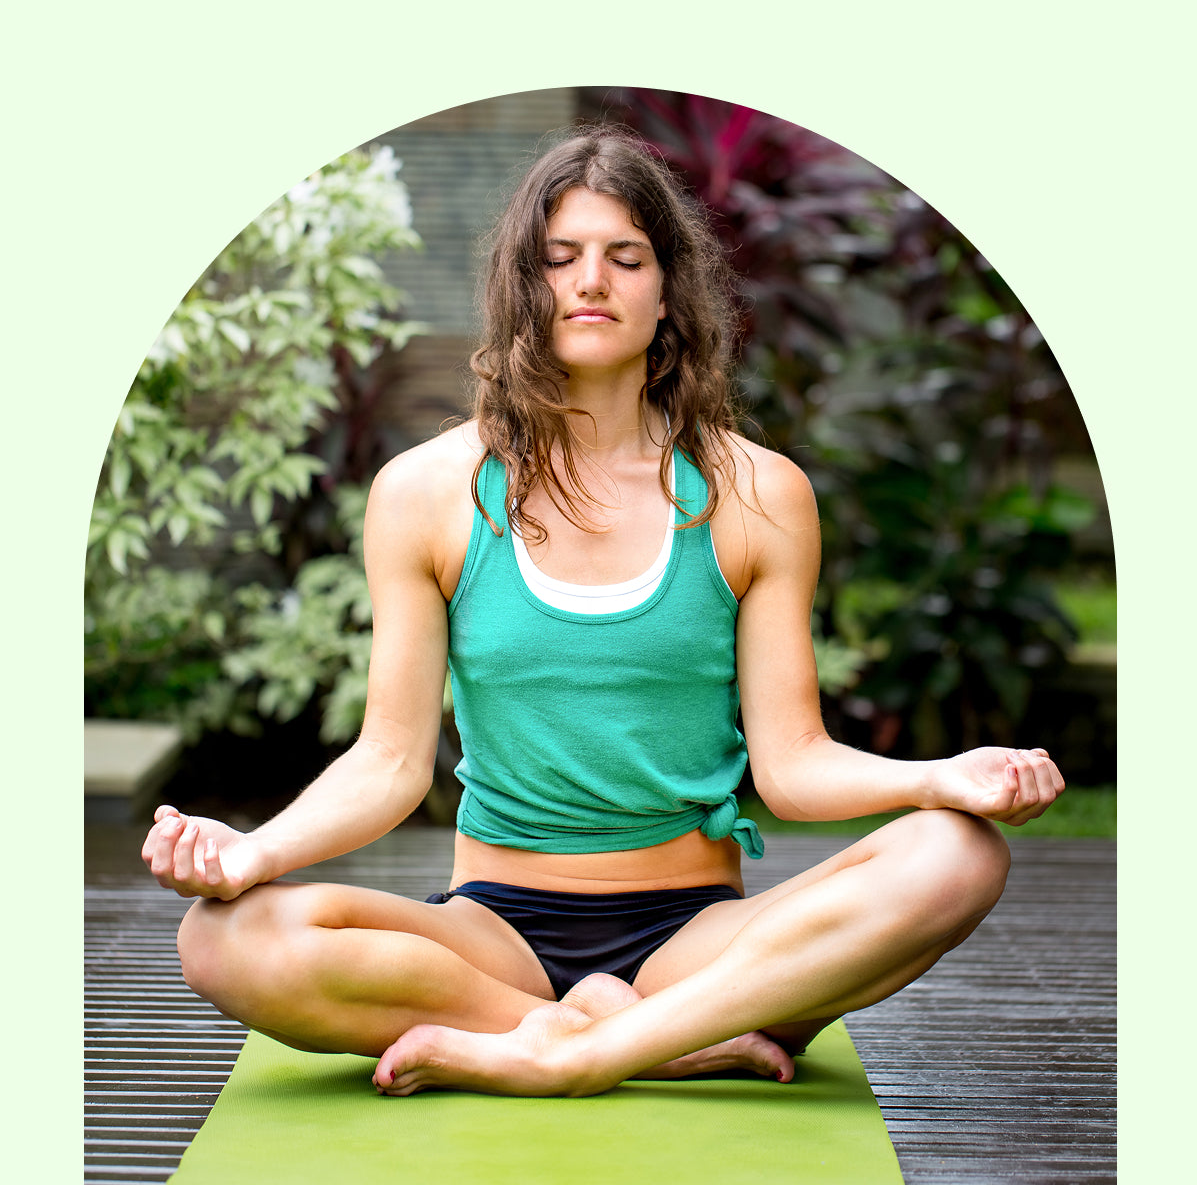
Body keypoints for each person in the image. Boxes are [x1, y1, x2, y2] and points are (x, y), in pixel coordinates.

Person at [142, 126, 1064, 1100]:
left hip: (700, 939)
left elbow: (792, 767)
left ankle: (585, 1051)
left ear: (667, 292)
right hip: (491, 936)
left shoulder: (757, 495)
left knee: (956, 853)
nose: (592, 281)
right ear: (523, 288)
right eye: (561, 258)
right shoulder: (427, 494)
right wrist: (250, 853)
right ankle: (624, 1039)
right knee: (225, 940)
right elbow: (389, 764)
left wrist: (943, 779)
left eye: (626, 258)